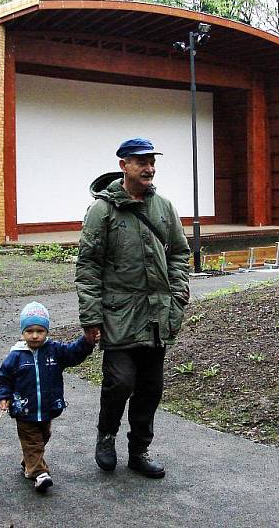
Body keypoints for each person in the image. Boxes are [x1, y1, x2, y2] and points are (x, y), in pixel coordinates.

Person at [76, 137, 191, 479]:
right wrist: (91, 317)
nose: (149, 167)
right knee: (120, 382)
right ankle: (106, 434)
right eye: (141, 162)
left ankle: (139, 451)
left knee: (151, 388)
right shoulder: (102, 210)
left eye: (152, 161)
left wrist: (178, 292)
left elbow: (179, 253)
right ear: (124, 165)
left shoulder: (164, 207)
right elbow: (88, 266)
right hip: (119, 314)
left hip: (157, 315)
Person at [0, 301, 99, 492]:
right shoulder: (15, 356)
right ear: (22, 333)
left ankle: (29, 460)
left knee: (43, 437)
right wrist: (3, 396)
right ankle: (38, 473)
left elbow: (73, 354)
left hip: (48, 409)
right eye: (30, 331)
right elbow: (4, 379)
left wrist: (86, 341)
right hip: (24, 410)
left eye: (40, 331)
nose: (35, 335)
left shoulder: (55, 350)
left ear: (47, 331)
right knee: (33, 441)